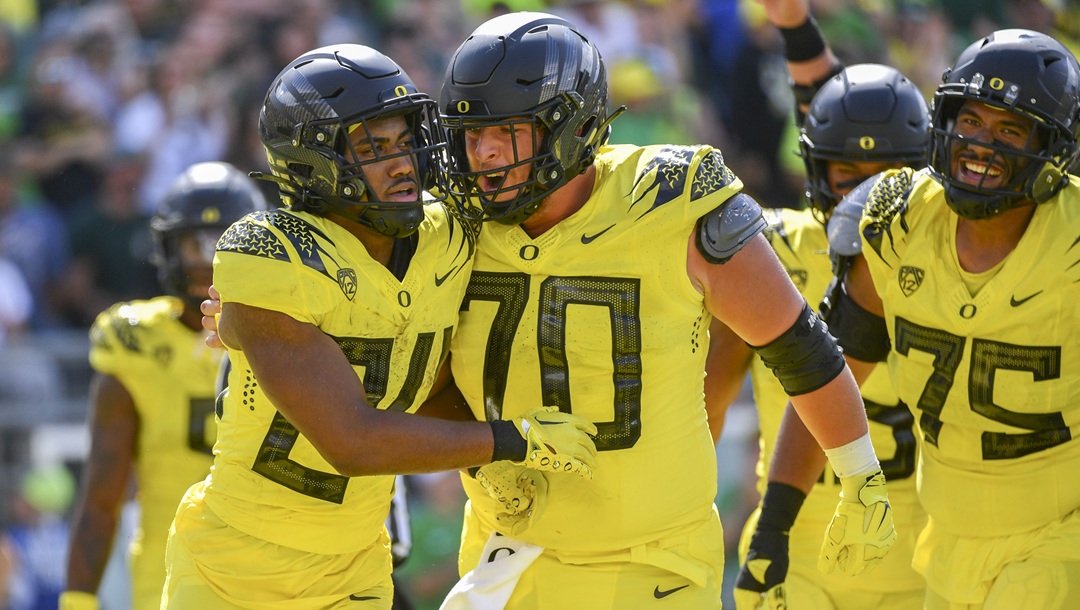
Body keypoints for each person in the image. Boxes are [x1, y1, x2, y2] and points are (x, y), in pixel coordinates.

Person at [434, 11, 892, 609]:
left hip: (650, 567)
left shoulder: (670, 200)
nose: (484, 153)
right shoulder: (447, 229)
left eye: (508, 130)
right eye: (471, 134)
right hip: (506, 560)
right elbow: (425, 378)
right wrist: (485, 445)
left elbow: (797, 343)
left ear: (570, 127)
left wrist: (858, 471)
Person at [161, 44, 598, 610]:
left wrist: (483, 462)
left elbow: (429, 380)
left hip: (358, 566)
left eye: (405, 141)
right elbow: (352, 440)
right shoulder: (267, 251)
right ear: (314, 162)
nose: (403, 163)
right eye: (374, 148)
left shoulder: (448, 235)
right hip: (236, 568)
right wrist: (513, 440)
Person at [761, 28, 1080, 610]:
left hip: (1058, 537)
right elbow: (824, 378)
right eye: (972, 121)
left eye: (1010, 129)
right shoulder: (899, 220)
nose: (982, 144)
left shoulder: (1072, 241)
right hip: (948, 541)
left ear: (1052, 146)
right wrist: (773, 525)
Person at [715, 2, 931, 609]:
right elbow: (840, 113)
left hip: (924, 535)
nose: (865, 189)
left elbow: (837, 119)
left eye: (886, 171)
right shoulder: (762, 249)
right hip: (802, 533)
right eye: (846, 174)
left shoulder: (954, 249)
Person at [58, 161, 268, 610]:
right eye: (193, 243)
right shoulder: (136, 342)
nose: (206, 258)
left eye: (222, 242)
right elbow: (101, 496)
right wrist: (77, 601)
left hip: (275, 580)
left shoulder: (290, 333)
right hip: (169, 582)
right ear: (168, 248)